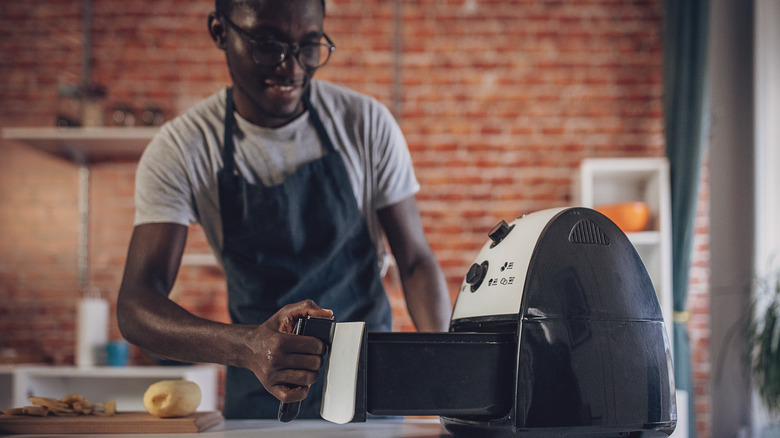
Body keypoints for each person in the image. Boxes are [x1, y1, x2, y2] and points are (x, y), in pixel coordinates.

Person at [116, 0, 451, 419]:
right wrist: (247, 346)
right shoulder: (183, 148)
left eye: (309, 47)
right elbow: (136, 305)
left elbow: (416, 261)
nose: (292, 68)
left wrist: (447, 366)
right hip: (260, 404)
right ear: (220, 31)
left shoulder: (365, 124)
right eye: (268, 45)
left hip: (369, 397)